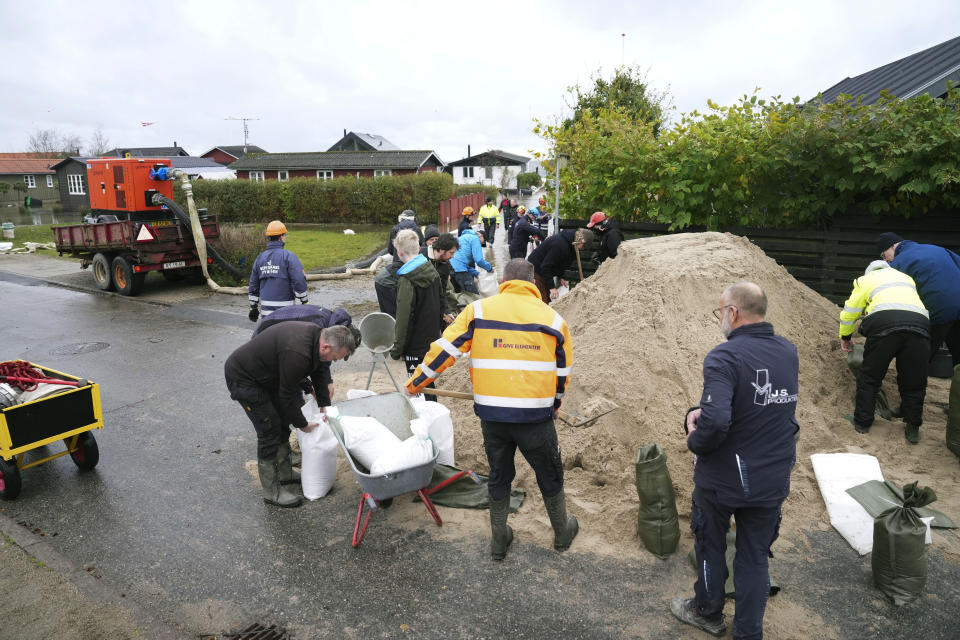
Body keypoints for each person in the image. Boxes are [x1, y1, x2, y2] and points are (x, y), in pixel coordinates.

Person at [404, 258, 578, 560]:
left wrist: (416, 383)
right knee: (549, 472)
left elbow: (445, 349)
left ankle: (499, 540)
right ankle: (562, 533)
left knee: (499, 474)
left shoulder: (478, 311)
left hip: (493, 415)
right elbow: (563, 373)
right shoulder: (553, 320)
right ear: (533, 282)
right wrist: (556, 403)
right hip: (535, 416)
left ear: (503, 282)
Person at [670, 282, 798, 640]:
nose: (720, 319)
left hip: (725, 479)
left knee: (710, 546)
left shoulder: (724, 356)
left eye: (720, 311)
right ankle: (747, 633)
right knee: (754, 556)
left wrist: (695, 438)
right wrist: (706, 411)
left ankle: (708, 613)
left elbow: (718, 423)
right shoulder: (788, 351)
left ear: (734, 313)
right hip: (773, 475)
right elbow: (765, 407)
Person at [224, 323, 356, 507]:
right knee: (269, 428)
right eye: (335, 357)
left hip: (267, 375)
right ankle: (272, 491)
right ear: (326, 347)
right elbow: (287, 395)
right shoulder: (299, 354)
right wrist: (303, 424)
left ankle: (285, 472)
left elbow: (319, 373)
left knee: (283, 420)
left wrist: (324, 406)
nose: (333, 361)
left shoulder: (318, 339)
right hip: (244, 379)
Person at [840, 260, 929, 442]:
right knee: (914, 379)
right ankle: (912, 427)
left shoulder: (864, 281)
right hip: (920, 326)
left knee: (870, 377)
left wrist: (846, 337)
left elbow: (850, 311)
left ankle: (862, 423)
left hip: (884, 326)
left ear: (869, 272)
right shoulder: (906, 278)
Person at [253, 304, 363, 415]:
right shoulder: (317, 326)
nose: (335, 360)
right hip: (264, 342)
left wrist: (328, 382)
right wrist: (310, 389)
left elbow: (323, 359)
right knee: (288, 395)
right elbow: (294, 364)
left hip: (284, 342)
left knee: (294, 393)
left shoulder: (332, 327)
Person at [878, 232, 960, 368]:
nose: (886, 260)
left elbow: (895, 294)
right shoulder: (937, 249)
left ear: (893, 246)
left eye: (883, 255)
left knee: (920, 355)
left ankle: (913, 386)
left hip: (938, 310)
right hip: (956, 305)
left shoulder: (899, 262)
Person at [390, 229, 444, 402]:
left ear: (399, 252)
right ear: (419, 247)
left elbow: (403, 319)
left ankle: (427, 423)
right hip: (432, 339)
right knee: (428, 382)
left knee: (418, 386)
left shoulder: (407, 279)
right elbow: (441, 303)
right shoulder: (432, 270)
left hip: (415, 345)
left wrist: (397, 348)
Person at [248, 221, 309, 321]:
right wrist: (304, 301)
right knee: (285, 336)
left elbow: (253, 285)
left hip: (266, 315)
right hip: (286, 313)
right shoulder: (288, 256)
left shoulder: (260, 258)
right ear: (281, 237)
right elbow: (299, 280)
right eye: (285, 235)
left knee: (270, 336)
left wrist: (253, 307)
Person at [526, 228, 594, 302]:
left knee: (546, 300)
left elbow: (561, 262)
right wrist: (552, 287)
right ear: (581, 241)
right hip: (534, 270)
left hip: (543, 271)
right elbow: (546, 267)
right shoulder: (560, 245)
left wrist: (560, 276)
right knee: (540, 301)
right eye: (583, 246)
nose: (583, 249)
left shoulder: (571, 244)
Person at [449, 216, 494, 296]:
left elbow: (461, 262)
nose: (480, 245)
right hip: (460, 271)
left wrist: (476, 273)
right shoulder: (475, 238)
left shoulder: (462, 238)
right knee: (474, 297)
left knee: (458, 297)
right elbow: (479, 260)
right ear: (481, 236)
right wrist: (489, 268)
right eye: (482, 243)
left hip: (451, 270)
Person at [423, 232, 460, 324]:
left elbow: (442, 291)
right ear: (441, 250)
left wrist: (446, 311)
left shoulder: (445, 265)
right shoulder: (421, 256)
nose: (453, 256)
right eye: (451, 253)